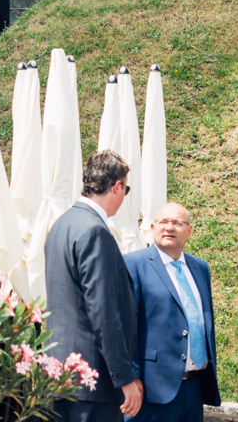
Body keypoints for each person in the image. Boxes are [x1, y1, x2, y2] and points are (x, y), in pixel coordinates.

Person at [45, 150, 141, 422]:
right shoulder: (95, 230)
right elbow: (103, 311)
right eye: (126, 189)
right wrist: (124, 379)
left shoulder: (60, 224)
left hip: (58, 375)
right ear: (117, 186)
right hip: (92, 382)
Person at [125, 203, 220, 422]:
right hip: (152, 390)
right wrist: (132, 377)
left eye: (177, 223)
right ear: (152, 227)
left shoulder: (200, 268)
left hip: (195, 387)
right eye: (163, 222)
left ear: (189, 231)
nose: (169, 227)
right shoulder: (133, 264)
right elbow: (125, 327)